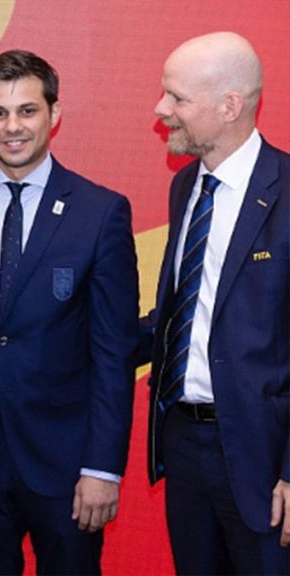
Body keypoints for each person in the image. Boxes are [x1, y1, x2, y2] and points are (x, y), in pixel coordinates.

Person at [0, 49, 139, 574]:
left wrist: (103, 469)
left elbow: (114, 354)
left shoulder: (101, 212)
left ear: (54, 115)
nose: (12, 127)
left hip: (68, 466)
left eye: (27, 110)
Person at [144, 31, 290, 574]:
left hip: (264, 460)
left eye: (177, 98)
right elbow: (181, 314)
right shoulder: (185, 188)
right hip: (183, 445)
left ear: (230, 106)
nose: (161, 111)